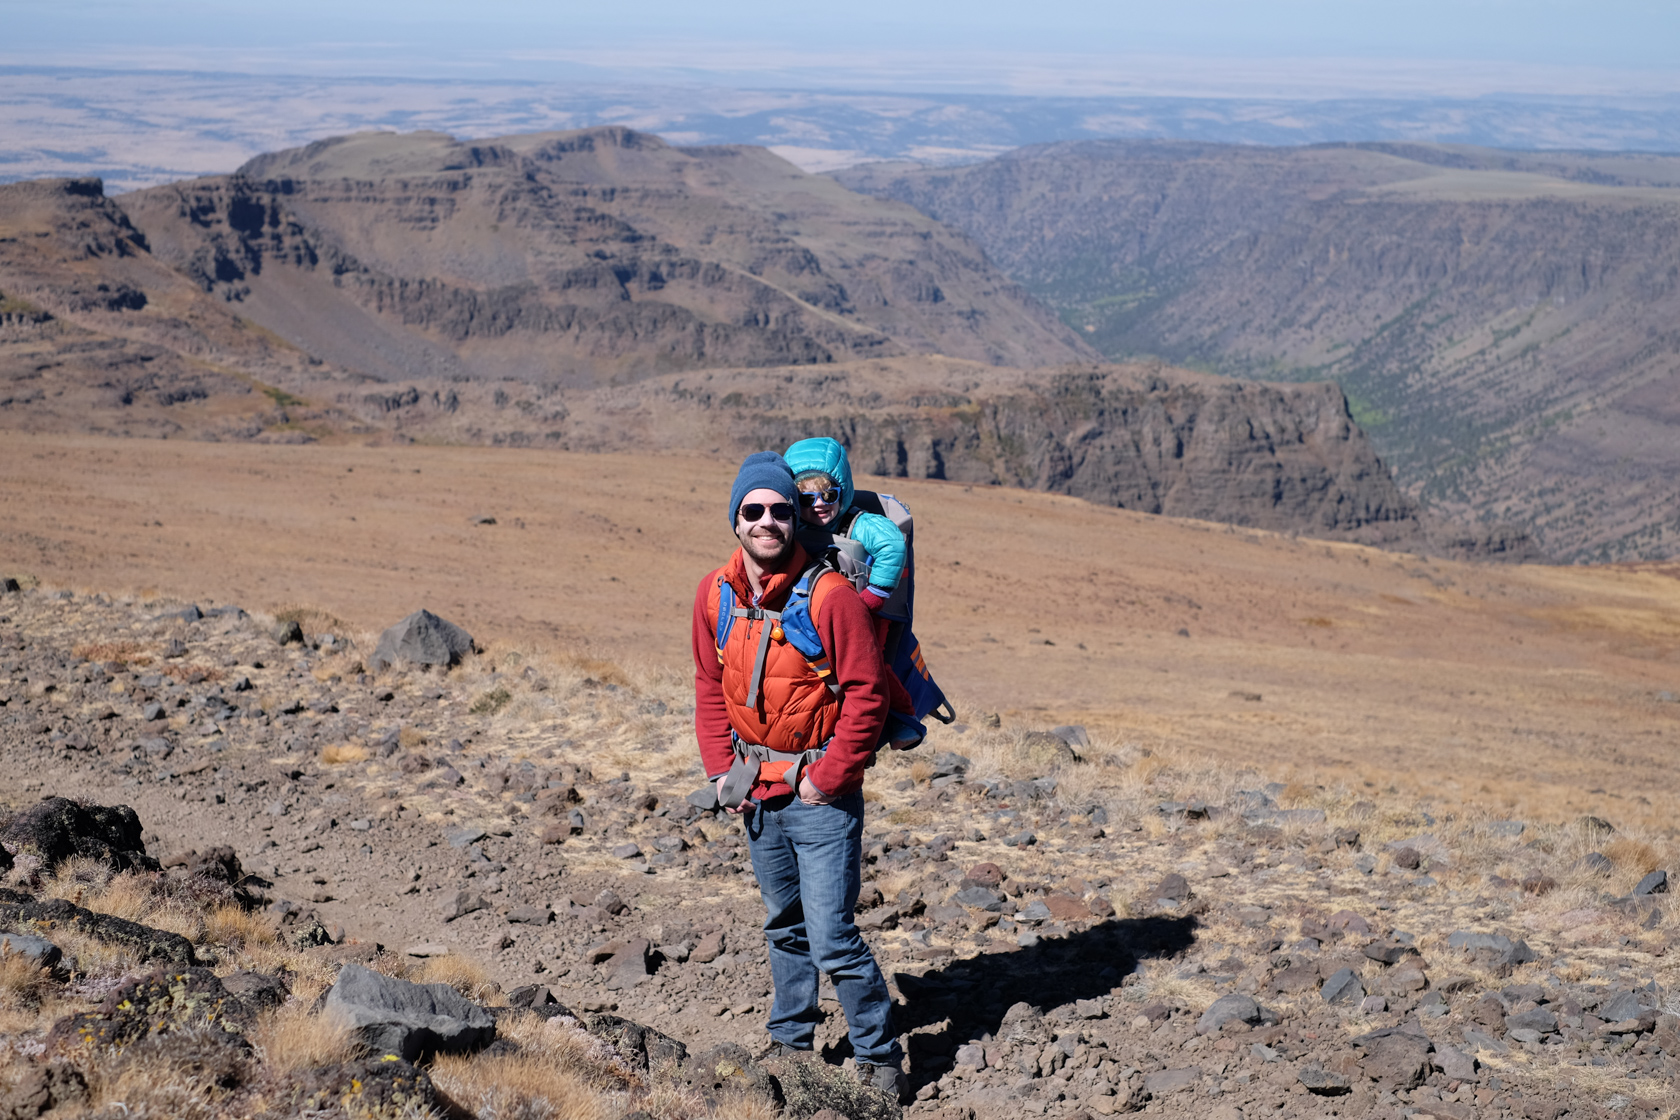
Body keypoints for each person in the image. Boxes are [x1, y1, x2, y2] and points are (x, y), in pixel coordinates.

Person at [691, 451, 909, 1100]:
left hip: (820, 798)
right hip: (755, 795)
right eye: (752, 510)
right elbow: (708, 686)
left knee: (833, 938)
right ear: (735, 521)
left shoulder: (832, 597)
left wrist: (828, 779)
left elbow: (868, 696)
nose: (766, 521)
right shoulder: (714, 594)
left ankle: (878, 1057)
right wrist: (720, 773)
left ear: (794, 520)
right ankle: (790, 1047)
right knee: (782, 926)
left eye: (780, 511)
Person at [784, 437, 953, 729]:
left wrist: (874, 595)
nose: (819, 505)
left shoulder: (862, 524)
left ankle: (903, 720)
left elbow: (891, 545)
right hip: (822, 612)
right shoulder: (795, 525)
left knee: (872, 665)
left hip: (867, 610)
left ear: (844, 490)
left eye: (829, 494)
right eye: (806, 499)